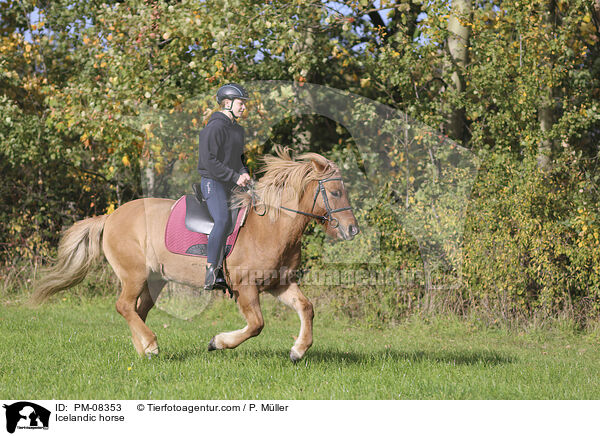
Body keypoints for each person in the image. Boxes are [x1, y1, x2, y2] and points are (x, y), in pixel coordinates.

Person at [197, 83, 252, 291]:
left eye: (244, 104)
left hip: (232, 182)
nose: (243, 107)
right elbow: (209, 161)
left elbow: (238, 158)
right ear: (227, 103)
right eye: (240, 103)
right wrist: (234, 176)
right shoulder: (214, 127)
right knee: (222, 220)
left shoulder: (237, 130)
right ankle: (212, 270)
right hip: (213, 182)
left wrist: (244, 171)